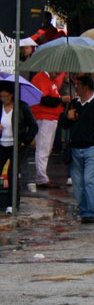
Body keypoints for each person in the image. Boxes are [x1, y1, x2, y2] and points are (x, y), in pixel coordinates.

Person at [59, 75, 94, 224]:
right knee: (78, 182)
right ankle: (84, 211)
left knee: (89, 180)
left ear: (86, 87)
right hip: (75, 147)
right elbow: (64, 124)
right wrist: (67, 117)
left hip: (91, 148)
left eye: (78, 85)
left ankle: (93, 212)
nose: (76, 87)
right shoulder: (74, 104)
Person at [0, 82, 38, 214]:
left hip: (17, 145)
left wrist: (25, 140)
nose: (4, 99)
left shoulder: (22, 107)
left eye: (6, 96)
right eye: (1, 97)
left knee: (12, 173)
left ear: (11, 95)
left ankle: (12, 203)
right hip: (2, 144)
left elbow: (33, 126)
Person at [29, 71, 69, 188]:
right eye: (56, 73)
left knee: (46, 148)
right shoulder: (41, 78)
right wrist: (61, 100)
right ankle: (41, 178)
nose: (56, 75)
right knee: (43, 148)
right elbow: (45, 100)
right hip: (44, 117)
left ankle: (42, 176)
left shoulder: (50, 79)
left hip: (50, 117)